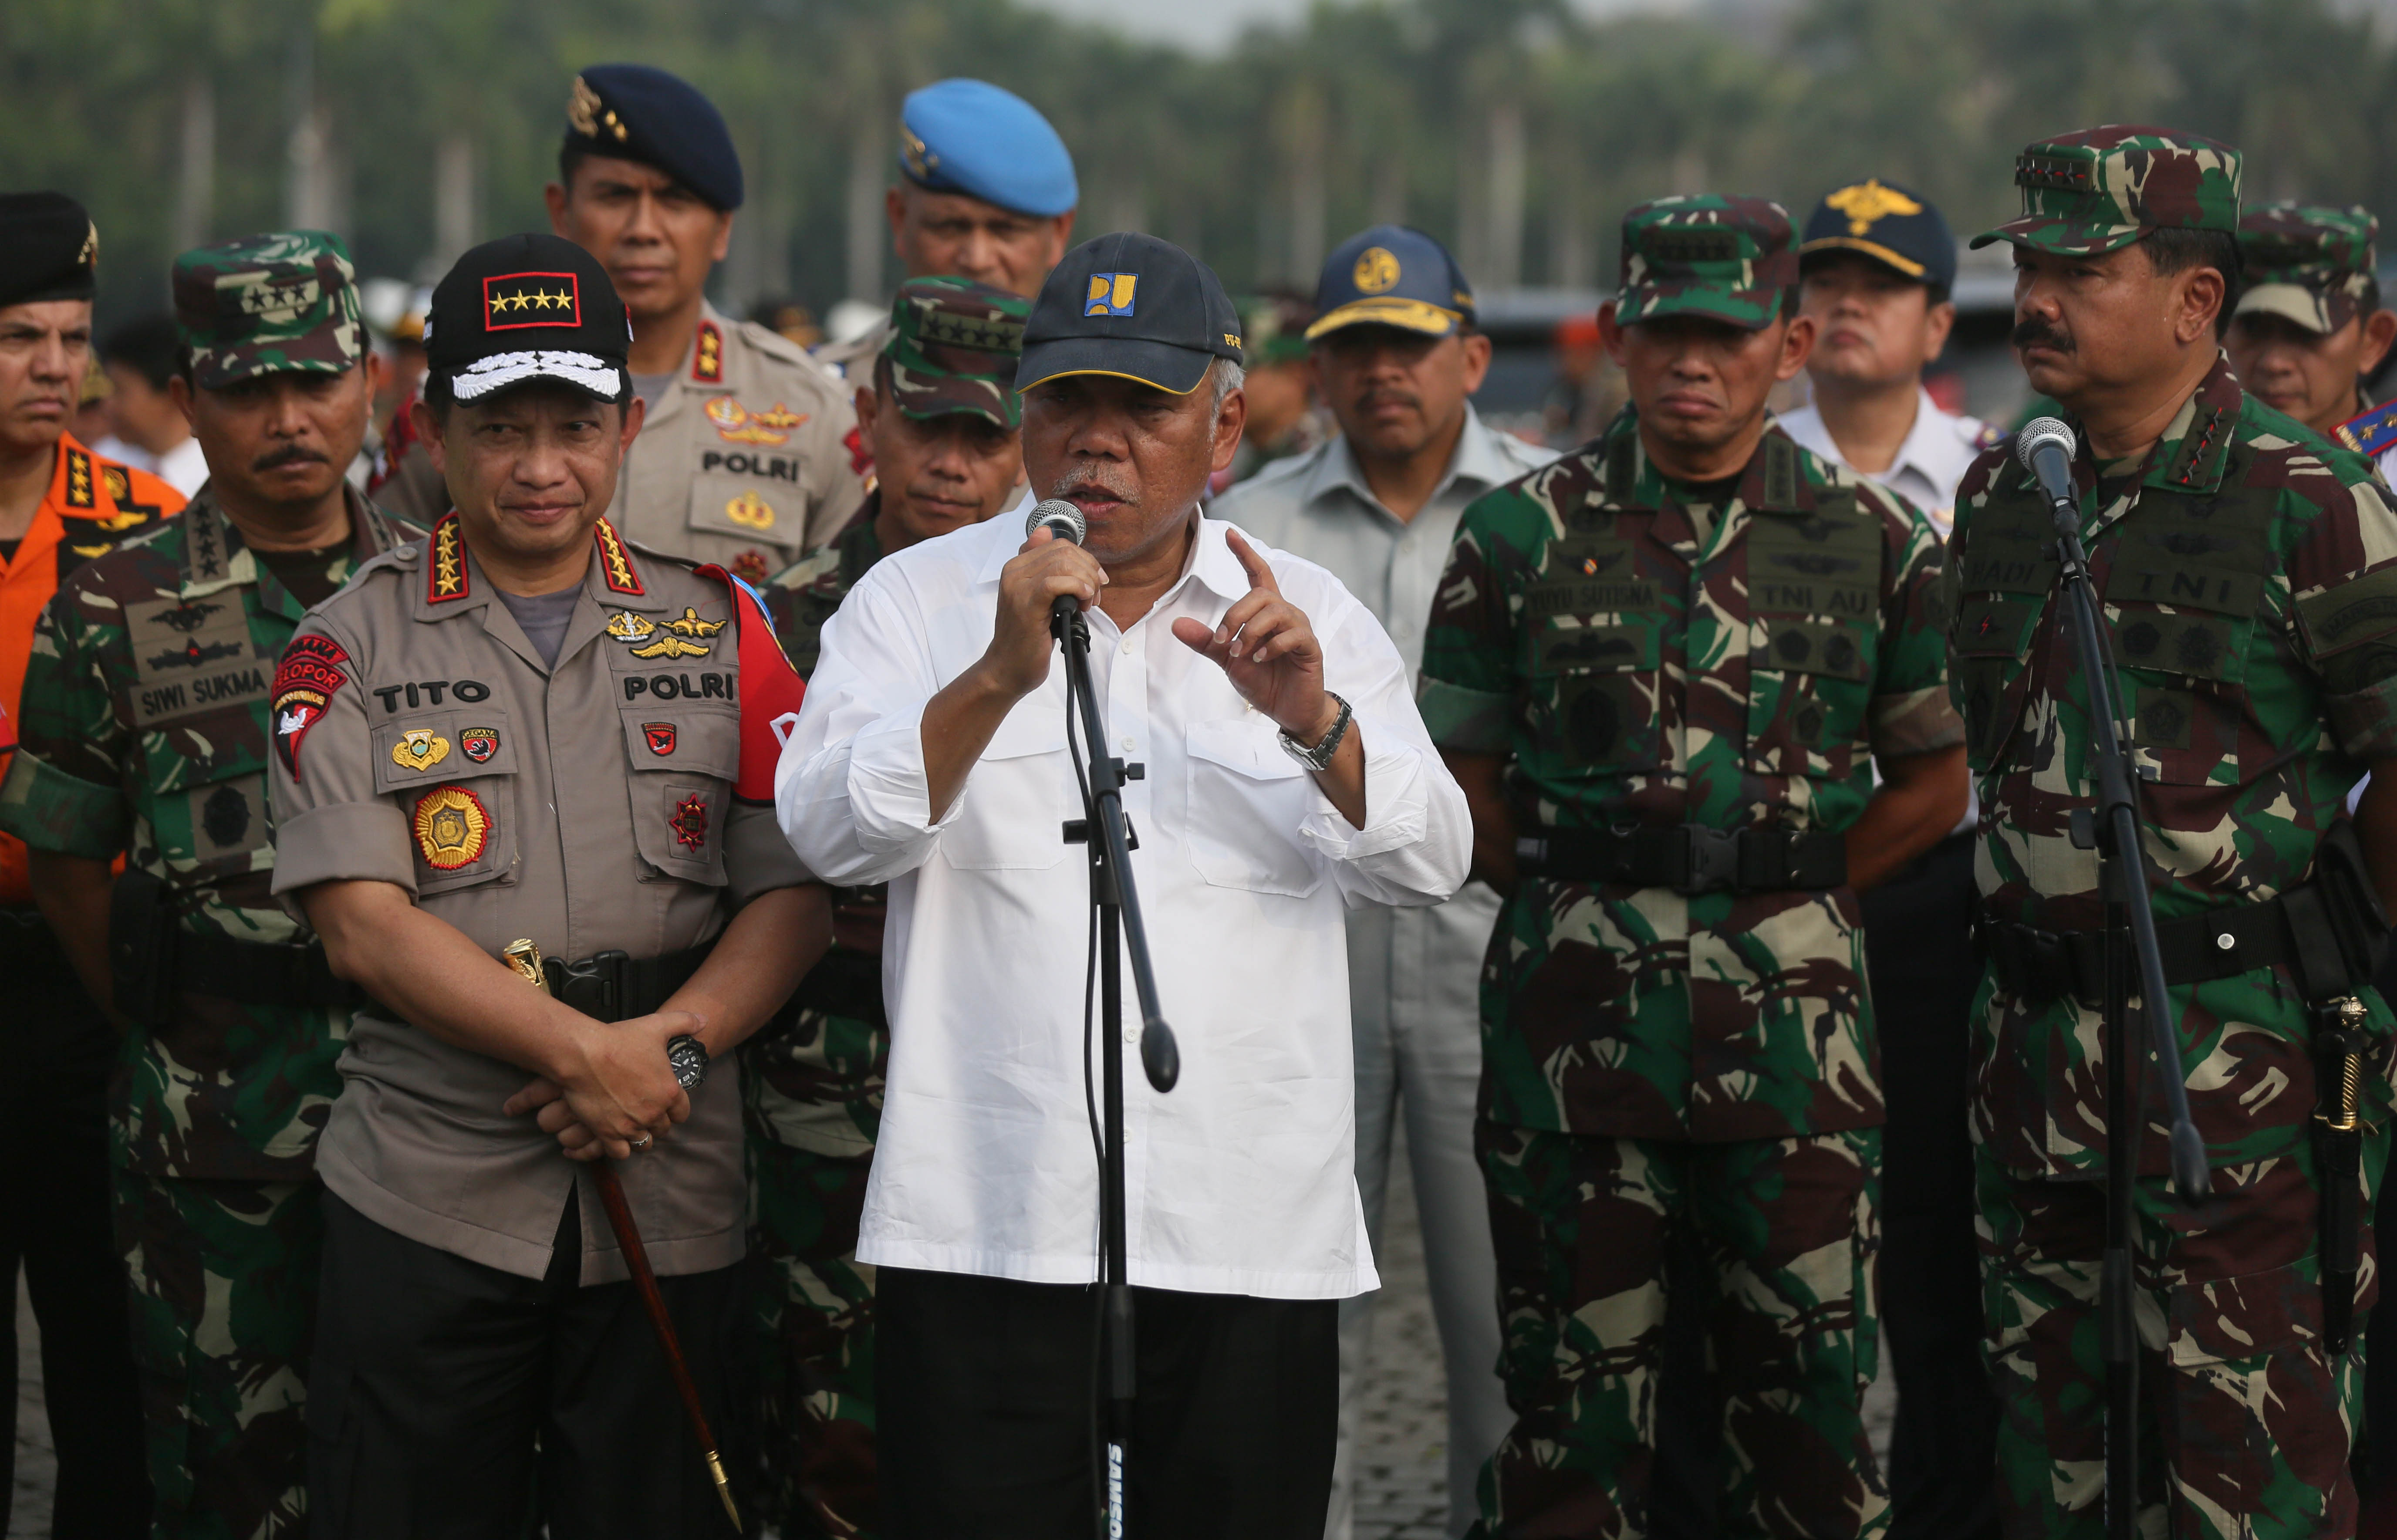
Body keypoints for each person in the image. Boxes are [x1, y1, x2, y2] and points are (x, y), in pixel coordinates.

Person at [777, 230, 1470, 1538]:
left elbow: (1431, 858)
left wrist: (1314, 722)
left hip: (1243, 1217)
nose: (1096, 441)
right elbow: (831, 836)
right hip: (987, 1210)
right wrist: (995, 676)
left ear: (1222, 429)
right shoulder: (914, 603)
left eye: (1142, 408)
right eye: (1066, 403)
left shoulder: (1306, 611)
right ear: (1023, 416)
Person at [1418, 194, 1968, 1539]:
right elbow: (1458, 776)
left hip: (1797, 1064)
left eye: (1727, 334)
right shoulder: (1517, 537)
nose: (1693, 361)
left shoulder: (1878, 540)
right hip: (1573, 1059)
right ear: (1618, 335)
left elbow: (1937, 776)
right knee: (1569, 1427)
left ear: (1787, 345)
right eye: (1666, 331)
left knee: (1809, 1424)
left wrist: (1796, 890)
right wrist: (1579, 892)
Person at [265, 232, 829, 1535]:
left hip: (673, 1185)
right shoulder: (343, 644)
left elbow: (794, 895)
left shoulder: (726, 625)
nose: (538, 467)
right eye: (499, 428)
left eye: (574, 426)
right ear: (431, 426)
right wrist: (590, 1057)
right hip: (430, 1189)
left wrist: (666, 1052)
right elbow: (362, 926)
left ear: (626, 427)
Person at [1953, 125, 2397, 1538]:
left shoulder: (2308, 500)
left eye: (2079, 272)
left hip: (2234, 1079)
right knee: (2052, 1478)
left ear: (2197, 301)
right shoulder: (2002, 493)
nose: (2035, 300)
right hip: (2032, 1075)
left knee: (2246, 1483)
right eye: (2028, 268)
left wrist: (2339, 972)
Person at [0, 230, 406, 1539]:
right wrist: (163, 1010)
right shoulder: (108, 610)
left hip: (433, 1115)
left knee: (427, 1458)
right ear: (186, 397)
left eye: (316, 381)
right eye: (246, 387)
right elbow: (68, 864)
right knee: (225, 1478)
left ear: (370, 382)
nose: (288, 419)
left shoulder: (442, 588)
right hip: (211, 1134)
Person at [1210, 222, 1552, 1540]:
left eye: (1408, 345)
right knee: (1297, 1307)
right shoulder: (1249, 526)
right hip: (1301, 955)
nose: (1380, 374)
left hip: (1488, 950)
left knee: (1502, 1311)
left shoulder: (1544, 511)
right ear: (1318, 365)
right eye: (1352, 348)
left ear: (1471, 356)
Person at [744, 274, 1031, 1539]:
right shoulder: (782, 617)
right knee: (829, 1420)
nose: (953, 464)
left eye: (985, 434)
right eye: (928, 426)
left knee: (1002, 1409)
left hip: (1005, 1061)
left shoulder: (1067, 619)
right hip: (830, 1066)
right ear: (870, 417)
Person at [1777, 177, 2000, 1540]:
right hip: (1754, 896)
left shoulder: (2000, 481)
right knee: (1761, 1243)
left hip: (1932, 907)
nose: (1848, 303)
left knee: (1934, 1249)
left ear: (1936, 324)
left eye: (1881, 284)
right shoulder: (1731, 468)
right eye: (1827, 279)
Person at [377, 66, 865, 574]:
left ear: (722, 229)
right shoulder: (460, 400)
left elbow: (845, 602)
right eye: (615, 196)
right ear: (562, 211)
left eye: (675, 200)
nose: (643, 229)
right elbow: (392, 583)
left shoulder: (814, 411)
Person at [0, 189, 178, 1540]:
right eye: (19, 337)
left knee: (100, 1333)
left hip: (81, 968)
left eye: (71, 338)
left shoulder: (143, 526)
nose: (55, 367)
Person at [814, 77, 1077, 383]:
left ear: (1058, 235)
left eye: (1006, 231)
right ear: (900, 219)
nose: (977, 260)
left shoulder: (1096, 396)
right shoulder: (819, 393)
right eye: (949, 227)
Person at [2223, 204, 2397, 478]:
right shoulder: (2183, 458)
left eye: (2306, 334)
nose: (2274, 363)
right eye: (2253, 328)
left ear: (2373, 341)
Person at [1211, 292, 1325, 490]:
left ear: (1296, 374)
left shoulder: (1310, 471)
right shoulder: (1261, 458)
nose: (1225, 386)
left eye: (1242, 370)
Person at [95, 313, 209, 496]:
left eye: (120, 390)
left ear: (175, 394)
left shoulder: (219, 477)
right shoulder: (102, 464)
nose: (108, 405)